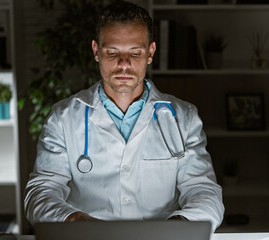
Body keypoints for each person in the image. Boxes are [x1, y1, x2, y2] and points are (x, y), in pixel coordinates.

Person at [25, 1, 224, 231]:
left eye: (135, 52)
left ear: (150, 52)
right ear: (96, 51)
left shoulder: (184, 117)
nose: (124, 65)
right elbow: (41, 192)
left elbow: (204, 191)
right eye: (112, 52)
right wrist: (76, 222)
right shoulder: (63, 117)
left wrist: (174, 229)